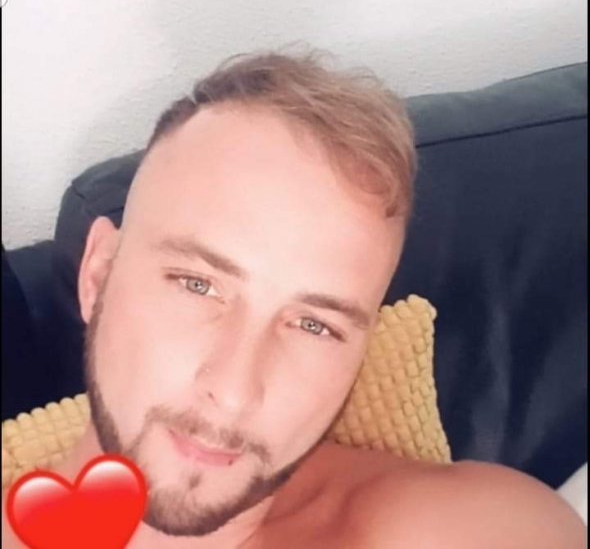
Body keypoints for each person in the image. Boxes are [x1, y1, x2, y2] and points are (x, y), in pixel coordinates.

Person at [2, 51, 585, 548]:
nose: (234, 393)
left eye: (314, 324)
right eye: (198, 284)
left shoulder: (474, 531)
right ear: (98, 275)